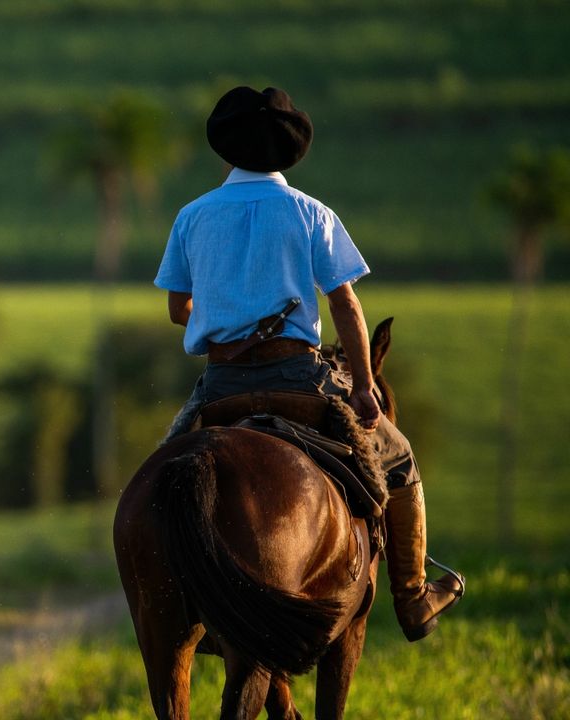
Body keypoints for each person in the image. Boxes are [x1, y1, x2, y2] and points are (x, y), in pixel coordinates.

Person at [155, 85, 464, 642]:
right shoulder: (310, 212)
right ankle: (414, 597)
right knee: (399, 459)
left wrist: (223, 310)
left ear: (226, 152)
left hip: (220, 384)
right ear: (288, 152)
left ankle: (167, 598)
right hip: (299, 378)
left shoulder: (192, 216)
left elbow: (180, 309)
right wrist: (366, 386)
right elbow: (344, 302)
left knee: (159, 475)